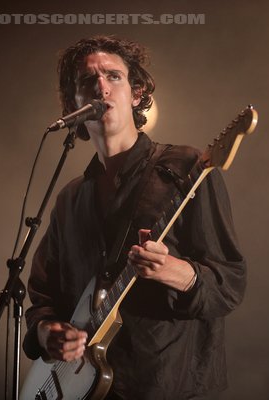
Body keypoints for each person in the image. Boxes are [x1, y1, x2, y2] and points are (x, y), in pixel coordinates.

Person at [23, 35, 247, 399]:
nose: (100, 87)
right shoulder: (70, 199)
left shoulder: (187, 169)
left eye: (114, 77)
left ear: (137, 94)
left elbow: (230, 282)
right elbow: (43, 293)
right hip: (86, 387)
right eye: (87, 81)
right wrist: (47, 331)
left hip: (167, 383)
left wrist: (176, 272)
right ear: (74, 102)